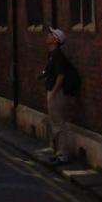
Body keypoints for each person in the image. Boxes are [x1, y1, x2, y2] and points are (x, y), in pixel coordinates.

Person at [42, 27, 74, 164]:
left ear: (55, 40)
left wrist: (53, 93)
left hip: (56, 94)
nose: (47, 36)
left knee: (59, 124)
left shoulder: (57, 55)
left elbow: (61, 76)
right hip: (52, 92)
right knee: (55, 124)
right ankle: (57, 152)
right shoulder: (52, 54)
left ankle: (63, 155)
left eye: (50, 34)